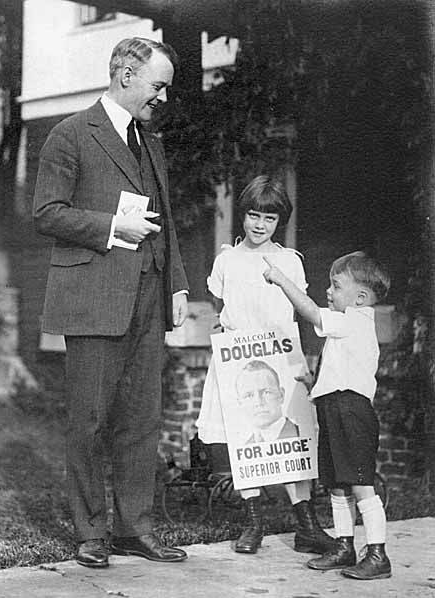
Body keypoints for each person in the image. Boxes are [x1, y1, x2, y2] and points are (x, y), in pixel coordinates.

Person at [33, 37, 189, 568]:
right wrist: (109, 227)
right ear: (125, 74)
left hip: (148, 296)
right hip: (94, 295)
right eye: (157, 86)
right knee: (90, 420)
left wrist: (177, 284)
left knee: (142, 420)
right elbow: (46, 213)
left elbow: (165, 221)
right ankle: (91, 531)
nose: (163, 98)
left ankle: (134, 529)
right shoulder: (69, 135)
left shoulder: (151, 142)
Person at [196, 175, 334, 555]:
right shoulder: (227, 259)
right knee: (245, 438)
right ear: (243, 215)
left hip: (282, 358)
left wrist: (303, 364)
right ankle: (253, 522)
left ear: (279, 222)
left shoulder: (289, 261)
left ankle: (306, 524)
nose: (259, 225)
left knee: (293, 438)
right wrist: (223, 327)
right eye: (254, 215)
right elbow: (221, 306)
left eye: (269, 219)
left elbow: (300, 313)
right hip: (240, 361)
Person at [263, 251, 392, 580]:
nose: (328, 292)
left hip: (352, 412)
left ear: (360, 297)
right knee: (336, 484)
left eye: (336, 286)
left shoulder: (355, 319)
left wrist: (281, 280)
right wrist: (314, 382)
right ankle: (344, 545)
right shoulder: (346, 326)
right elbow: (340, 372)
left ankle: (377, 553)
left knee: (361, 484)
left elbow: (309, 311)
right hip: (334, 407)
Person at [235, 360, 300, 444]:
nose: (258, 402)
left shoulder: (302, 434)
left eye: (266, 392)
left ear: (281, 395)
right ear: (240, 403)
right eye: (249, 396)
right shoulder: (244, 449)